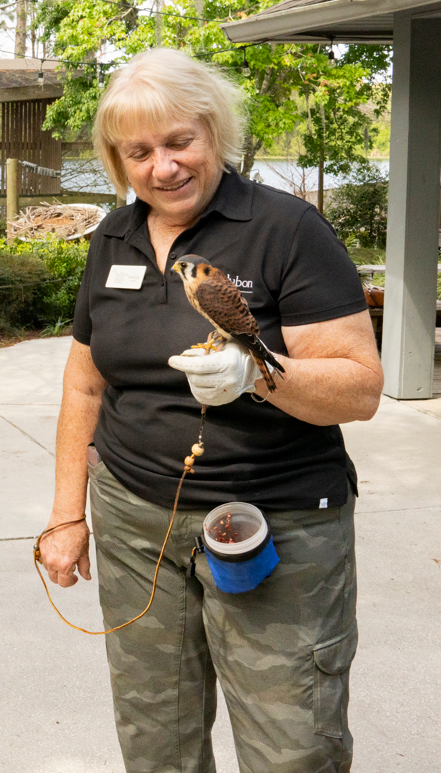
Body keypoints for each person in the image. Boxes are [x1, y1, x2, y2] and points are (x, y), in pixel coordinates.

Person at [37, 48, 381, 773]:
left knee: (292, 741)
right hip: (137, 523)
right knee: (154, 733)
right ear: (116, 159)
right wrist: (68, 516)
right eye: (139, 151)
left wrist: (255, 376)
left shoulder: (285, 229)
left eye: (178, 142)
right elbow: (84, 385)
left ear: (213, 132)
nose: (162, 166)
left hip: (274, 519)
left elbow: (358, 388)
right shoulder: (113, 238)